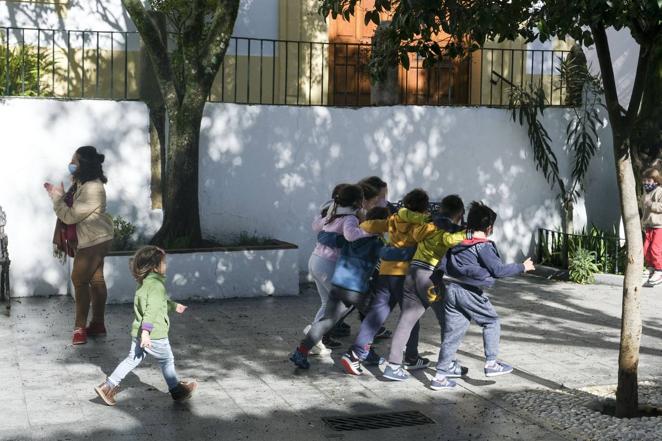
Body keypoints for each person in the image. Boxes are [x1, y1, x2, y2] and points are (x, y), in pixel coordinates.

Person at [431, 201, 535, 390]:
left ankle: (439, 375)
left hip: (450, 289)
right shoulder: (483, 246)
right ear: (489, 228)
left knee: (453, 334)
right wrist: (522, 267)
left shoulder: (456, 239)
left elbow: (442, 264)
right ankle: (492, 363)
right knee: (491, 321)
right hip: (469, 292)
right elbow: (498, 270)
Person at [340, 189, 431, 375]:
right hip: (404, 275)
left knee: (376, 315)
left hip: (385, 272)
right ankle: (411, 357)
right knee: (411, 316)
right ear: (423, 208)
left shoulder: (394, 220)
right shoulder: (421, 225)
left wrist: (364, 224)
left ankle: (354, 354)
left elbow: (370, 226)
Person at [94, 246, 197, 406]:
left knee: (131, 359)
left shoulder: (145, 283)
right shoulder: (156, 285)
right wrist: (147, 333)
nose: (166, 265)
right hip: (154, 334)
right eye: (164, 262)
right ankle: (176, 390)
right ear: (155, 266)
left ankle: (108, 386)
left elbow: (157, 302)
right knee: (166, 360)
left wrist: (173, 306)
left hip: (139, 332)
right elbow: (151, 310)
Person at [290, 206, 389, 369]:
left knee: (326, 321)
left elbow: (325, 236)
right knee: (374, 316)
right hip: (356, 288)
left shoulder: (351, 236)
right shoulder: (376, 242)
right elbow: (389, 257)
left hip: (339, 284)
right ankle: (363, 352)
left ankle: (301, 352)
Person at [383, 195, 468, 381]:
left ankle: (393, 365)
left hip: (411, 273)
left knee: (406, 319)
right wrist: (469, 233)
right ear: (459, 214)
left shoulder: (428, 224)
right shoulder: (448, 231)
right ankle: (448, 363)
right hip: (429, 278)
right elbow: (450, 240)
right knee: (448, 320)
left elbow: (408, 219)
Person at [44, 146, 114, 345]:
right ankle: (98, 325)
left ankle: (80, 329)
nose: (71, 164)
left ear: (84, 164)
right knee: (96, 280)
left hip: (94, 240)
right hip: (97, 238)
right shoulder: (83, 183)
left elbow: (71, 215)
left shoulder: (93, 188)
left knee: (79, 279)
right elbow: (74, 207)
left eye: (74, 161)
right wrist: (63, 195)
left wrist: (57, 200)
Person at [308, 184, 373, 351]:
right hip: (328, 263)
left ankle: (315, 339)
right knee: (341, 302)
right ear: (358, 201)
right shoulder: (350, 218)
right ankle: (312, 334)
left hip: (315, 260)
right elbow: (351, 236)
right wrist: (369, 232)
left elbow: (316, 226)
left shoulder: (332, 213)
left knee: (326, 302)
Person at [641, 167, 662, 286]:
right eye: (644, 180)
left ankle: (659, 270)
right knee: (646, 249)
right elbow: (645, 211)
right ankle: (651, 268)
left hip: (659, 226)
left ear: (655, 180)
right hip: (649, 226)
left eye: (649, 181)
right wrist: (642, 223)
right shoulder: (646, 193)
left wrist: (651, 204)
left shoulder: (659, 191)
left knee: (655, 249)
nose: (646, 183)